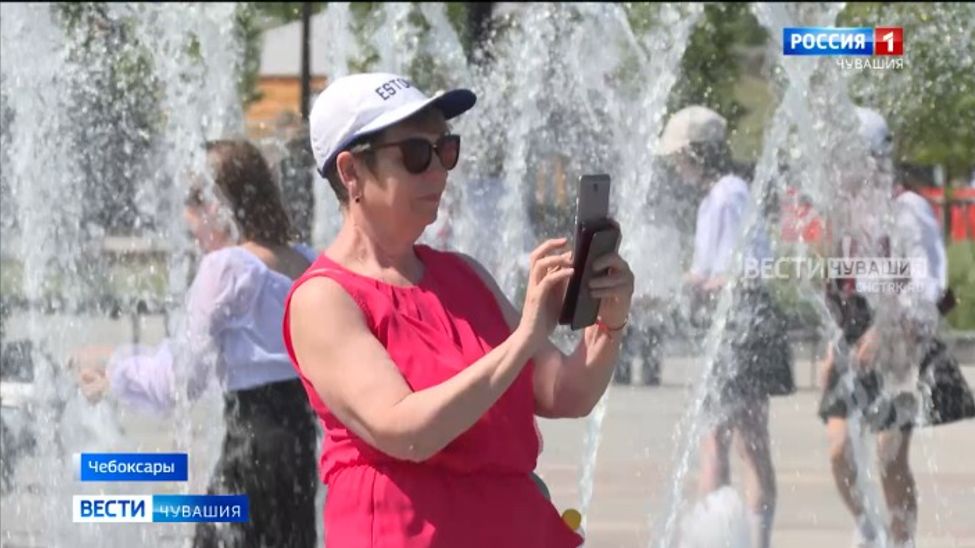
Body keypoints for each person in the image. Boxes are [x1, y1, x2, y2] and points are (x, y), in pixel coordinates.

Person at [283, 72, 635, 547]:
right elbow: (407, 431)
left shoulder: (464, 275)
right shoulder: (324, 298)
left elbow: (565, 392)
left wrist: (608, 320)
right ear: (350, 172)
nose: (438, 171)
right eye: (415, 154)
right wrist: (525, 336)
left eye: (445, 149)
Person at [75, 139, 320, 548]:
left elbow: (181, 381)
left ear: (216, 205)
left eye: (191, 202)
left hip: (250, 455)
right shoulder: (305, 260)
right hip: (298, 453)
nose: (186, 221)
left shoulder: (228, 269)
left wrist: (113, 368)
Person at [817, 107, 975, 548]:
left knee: (888, 455)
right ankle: (870, 525)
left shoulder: (908, 209)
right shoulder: (849, 213)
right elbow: (844, 287)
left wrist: (888, 332)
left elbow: (931, 287)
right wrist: (834, 344)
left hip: (901, 341)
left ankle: (901, 540)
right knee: (838, 450)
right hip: (859, 334)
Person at [659, 105, 795, 548]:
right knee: (721, 437)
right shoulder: (716, 196)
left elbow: (753, 268)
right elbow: (712, 269)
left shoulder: (729, 194)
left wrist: (706, 283)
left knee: (743, 441)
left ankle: (750, 539)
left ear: (696, 155)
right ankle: (716, 537)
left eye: (679, 157)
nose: (676, 168)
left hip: (747, 325)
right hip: (732, 326)